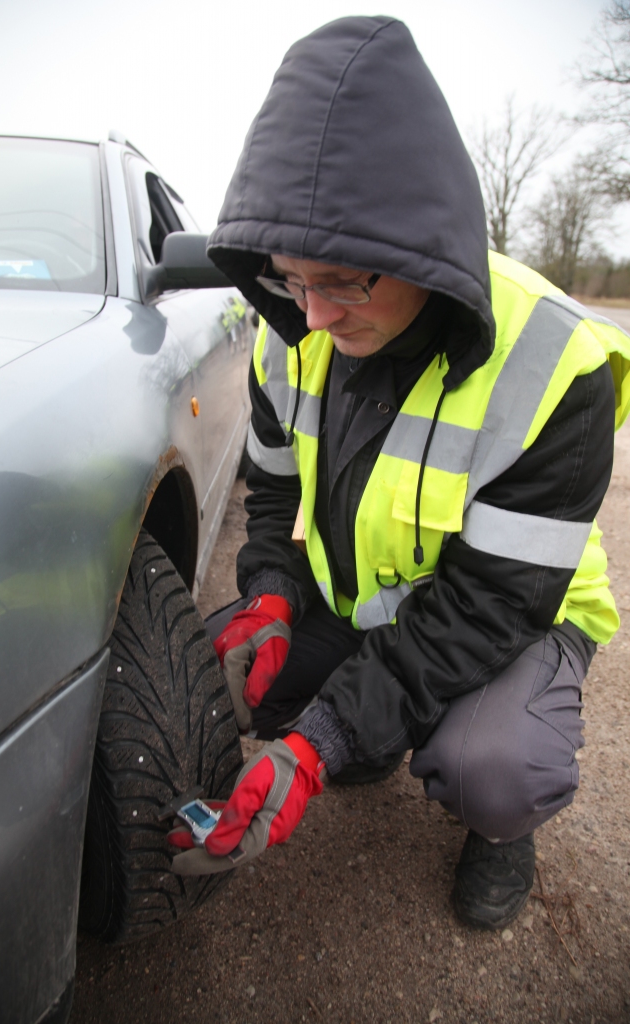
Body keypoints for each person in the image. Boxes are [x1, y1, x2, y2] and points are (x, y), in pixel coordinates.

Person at [170, 15, 630, 930]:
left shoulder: (551, 368)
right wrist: (266, 591)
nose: (315, 313)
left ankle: (502, 830)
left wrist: (323, 737)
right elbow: (272, 494)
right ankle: (370, 734)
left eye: (344, 279)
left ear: (423, 248)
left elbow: (489, 606)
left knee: (490, 765)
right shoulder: (290, 329)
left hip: (514, 624)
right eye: (292, 278)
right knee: (221, 667)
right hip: (371, 605)